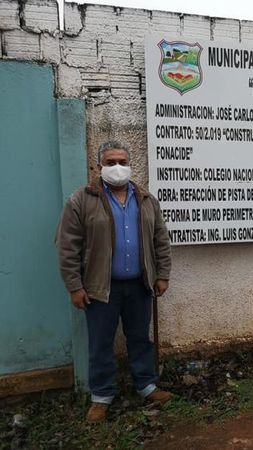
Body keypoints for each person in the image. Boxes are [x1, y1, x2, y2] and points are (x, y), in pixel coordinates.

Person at [56, 140, 172, 423]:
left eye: (122, 162)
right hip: (100, 288)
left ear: (130, 165)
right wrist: (75, 286)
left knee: (139, 338)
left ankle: (146, 385)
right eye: (110, 163)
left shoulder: (146, 199)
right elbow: (67, 247)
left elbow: (160, 239)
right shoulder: (81, 200)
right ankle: (101, 397)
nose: (117, 168)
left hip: (139, 285)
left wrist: (162, 274)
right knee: (100, 343)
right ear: (98, 166)